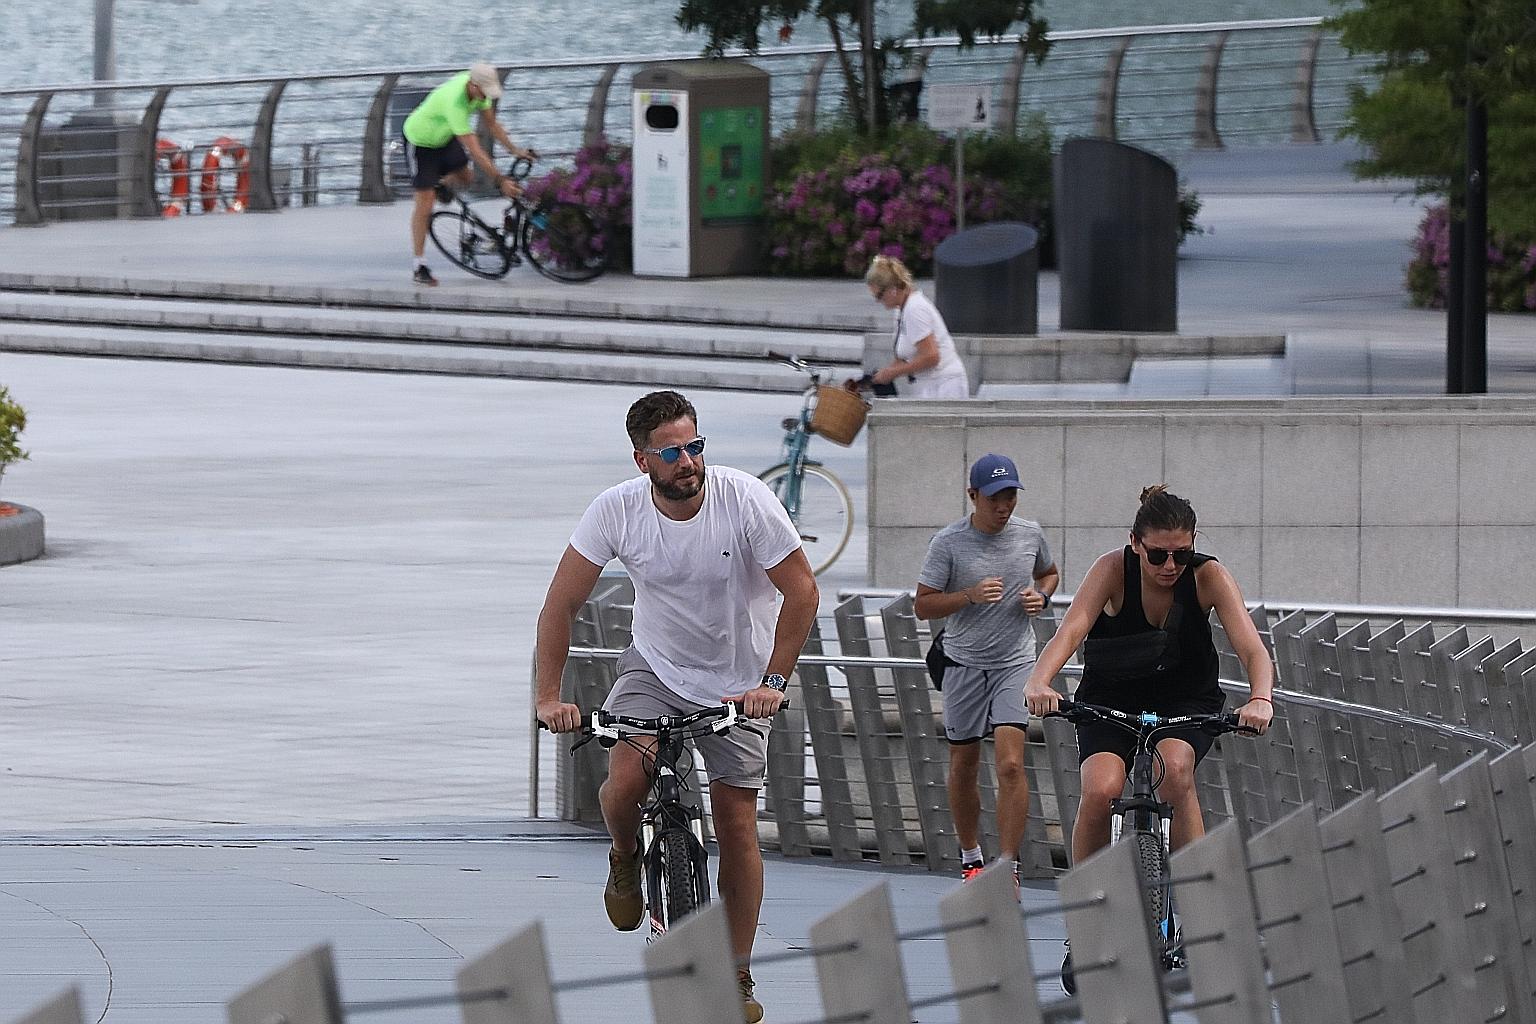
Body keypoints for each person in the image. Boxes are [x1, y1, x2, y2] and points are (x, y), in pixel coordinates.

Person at [535, 390, 819, 1024]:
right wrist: (549, 697)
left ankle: (739, 972)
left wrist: (772, 680)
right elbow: (558, 607)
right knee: (623, 782)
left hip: (739, 681)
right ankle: (625, 856)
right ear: (643, 461)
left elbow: (802, 591)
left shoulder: (745, 500)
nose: (689, 461)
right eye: (672, 452)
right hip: (657, 666)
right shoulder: (616, 511)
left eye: (696, 447)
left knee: (738, 824)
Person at [1022, 485, 1274, 988]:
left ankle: (1198, 917)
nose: (1169, 566)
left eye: (1181, 554)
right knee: (1101, 788)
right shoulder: (1111, 570)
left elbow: (1252, 649)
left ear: (1194, 544)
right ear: (1134, 542)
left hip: (1186, 700)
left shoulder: (1209, 576)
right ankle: (1088, 923)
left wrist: (1261, 697)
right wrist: (1039, 680)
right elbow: (1071, 631)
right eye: (1157, 554)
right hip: (1110, 697)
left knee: (1175, 771)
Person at [914, 453, 1059, 888]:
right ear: (973, 496)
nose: (1004, 506)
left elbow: (1049, 574)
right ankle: (971, 855)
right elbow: (923, 604)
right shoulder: (949, 542)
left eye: (1010, 496)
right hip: (963, 663)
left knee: (1012, 763)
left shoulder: (1030, 533)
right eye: (995, 497)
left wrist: (1042, 597)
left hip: (1015, 661)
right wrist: (969, 596)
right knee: (964, 762)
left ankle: (1009, 865)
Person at [402, 62, 537, 287]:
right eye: (484, 91)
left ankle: (441, 184)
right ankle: (419, 265)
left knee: (467, 177)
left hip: (444, 138)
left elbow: (492, 125)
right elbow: (475, 149)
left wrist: (515, 150)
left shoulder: (478, 90)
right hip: (421, 142)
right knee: (425, 204)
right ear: (473, 85)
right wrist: (500, 179)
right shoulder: (454, 102)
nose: (487, 97)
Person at [862, 254, 970, 398]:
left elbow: (931, 356)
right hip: (927, 383)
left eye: (879, 296)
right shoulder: (902, 309)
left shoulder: (915, 309)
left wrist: (894, 372)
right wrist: (883, 375)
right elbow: (905, 355)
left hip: (943, 384)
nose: (878, 301)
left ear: (893, 289)